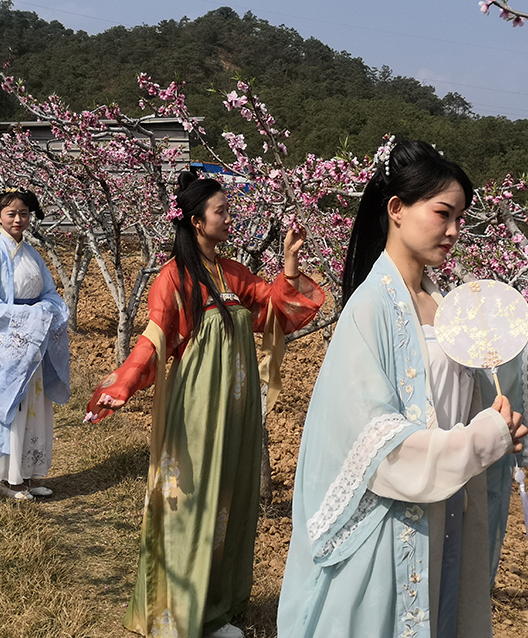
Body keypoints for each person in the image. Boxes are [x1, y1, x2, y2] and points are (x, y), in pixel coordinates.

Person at [277, 139, 528, 638]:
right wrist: (483, 439)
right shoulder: (369, 310)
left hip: (448, 504)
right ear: (397, 210)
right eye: (442, 213)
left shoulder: (445, 307)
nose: (454, 231)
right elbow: (375, 442)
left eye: (460, 217)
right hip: (394, 522)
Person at [85, 171, 325, 638]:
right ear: (196, 220)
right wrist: (122, 385)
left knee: (229, 505)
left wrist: (290, 264)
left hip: (236, 412)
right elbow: (155, 340)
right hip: (197, 411)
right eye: (222, 211)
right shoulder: (173, 278)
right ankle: (175, 613)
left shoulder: (232, 272)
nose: (230, 218)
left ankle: (215, 608)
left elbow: (274, 311)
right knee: (191, 505)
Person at [0, 187, 70, 502]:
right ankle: (9, 479)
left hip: (32, 345)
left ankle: (28, 473)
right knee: (13, 407)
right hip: (10, 347)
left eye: (23, 213)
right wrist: (27, 316)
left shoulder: (31, 253)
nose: (18, 219)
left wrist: (49, 310)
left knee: (34, 407)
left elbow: (49, 292)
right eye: (11, 213)